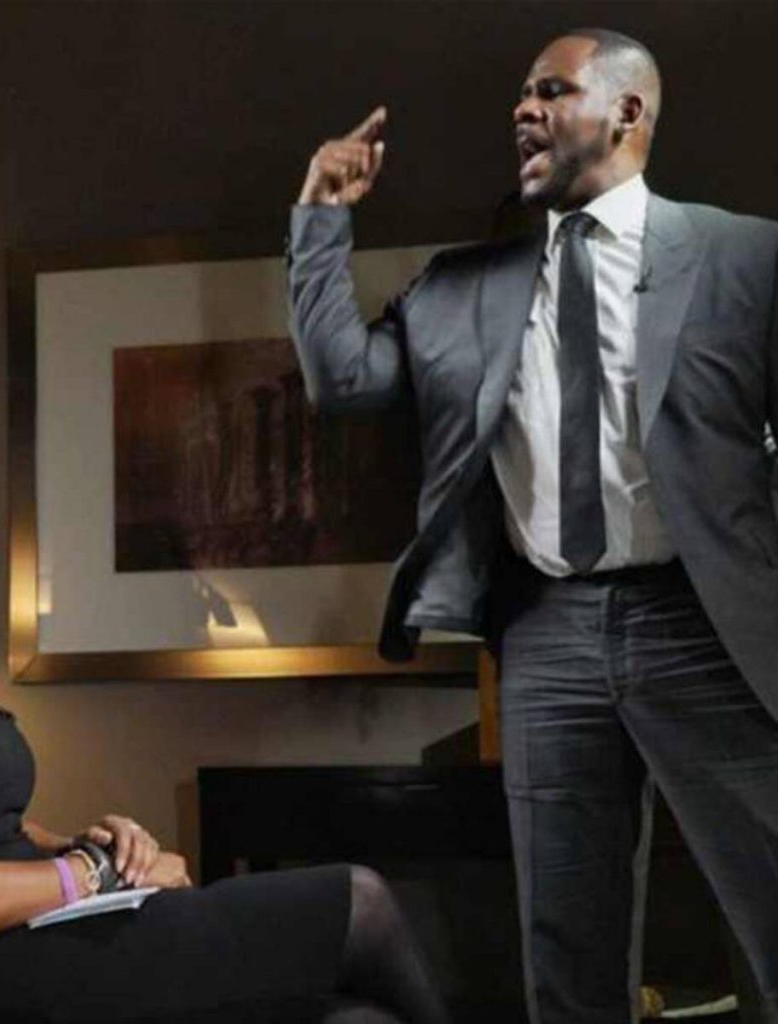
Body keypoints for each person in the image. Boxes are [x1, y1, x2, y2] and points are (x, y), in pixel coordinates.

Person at [288, 27, 778, 1024]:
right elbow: (342, 380)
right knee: (566, 945)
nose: (522, 109)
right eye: (520, 94)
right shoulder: (462, 287)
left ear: (627, 111)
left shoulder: (746, 256)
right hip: (548, 633)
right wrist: (319, 221)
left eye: (550, 91)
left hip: (706, 621)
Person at [0, 395, 449, 1024]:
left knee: (357, 1020)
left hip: (16, 941)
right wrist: (92, 875)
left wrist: (80, 845)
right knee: (360, 900)